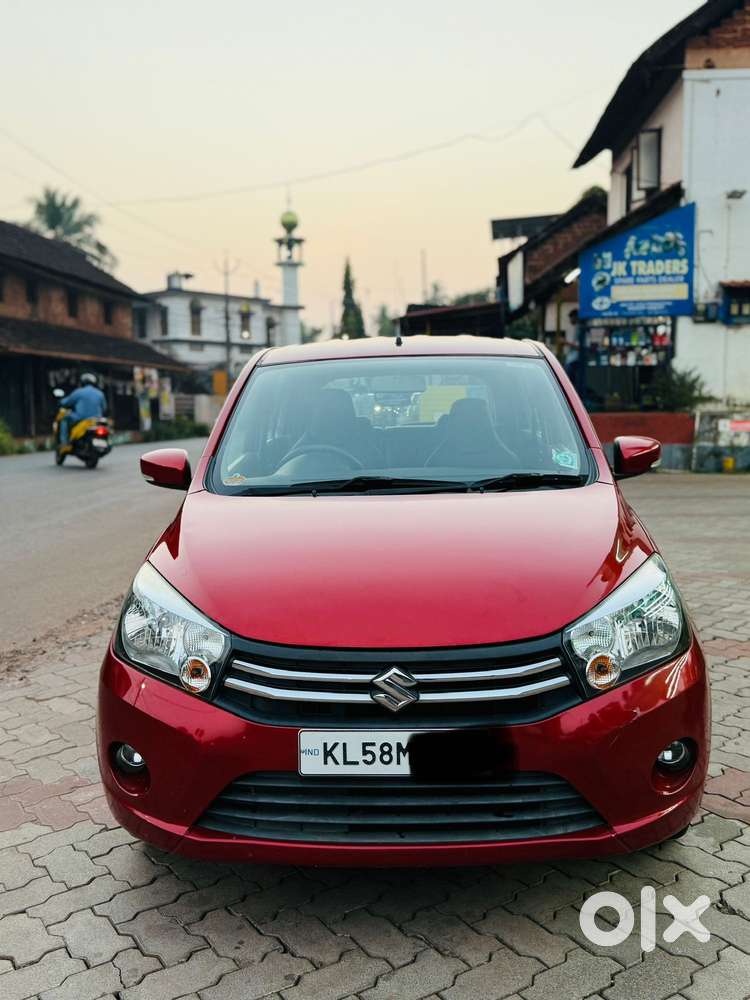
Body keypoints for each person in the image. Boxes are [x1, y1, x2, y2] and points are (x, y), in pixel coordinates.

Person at [59, 373, 107, 445]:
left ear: (82, 382)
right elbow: (104, 408)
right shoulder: (100, 393)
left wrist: (60, 401)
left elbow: (66, 402)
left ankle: (64, 442)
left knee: (64, 419)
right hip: (97, 419)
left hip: (81, 418)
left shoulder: (78, 392)